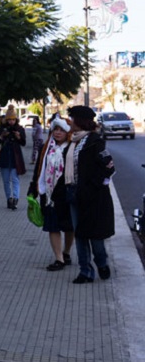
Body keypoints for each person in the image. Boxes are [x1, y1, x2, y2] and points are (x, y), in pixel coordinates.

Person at [63, 106, 116, 284]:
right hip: (74, 194)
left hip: (93, 197)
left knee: (95, 236)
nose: (69, 122)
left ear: (80, 121)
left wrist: (94, 187)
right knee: (80, 234)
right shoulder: (72, 141)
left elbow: (109, 168)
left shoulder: (95, 141)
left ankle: (101, 262)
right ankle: (85, 271)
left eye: (72, 119)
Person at [28, 116, 74, 271]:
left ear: (68, 132)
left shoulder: (72, 148)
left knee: (69, 227)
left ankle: (66, 252)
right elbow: (39, 169)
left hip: (66, 193)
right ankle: (59, 259)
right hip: (48, 195)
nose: (58, 132)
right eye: (56, 129)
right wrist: (33, 187)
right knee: (53, 226)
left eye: (62, 130)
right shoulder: (46, 147)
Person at [0, 105, 27, 210]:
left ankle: (15, 199)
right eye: (9, 120)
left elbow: (23, 143)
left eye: (13, 120)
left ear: (16, 119)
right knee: (5, 180)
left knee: (15, 179)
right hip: (5, 156)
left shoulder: (20, 128)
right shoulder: (2, 128)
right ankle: (9, 198)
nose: (11, 122)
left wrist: (19, 136)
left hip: (16, 156)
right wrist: (2, 136)